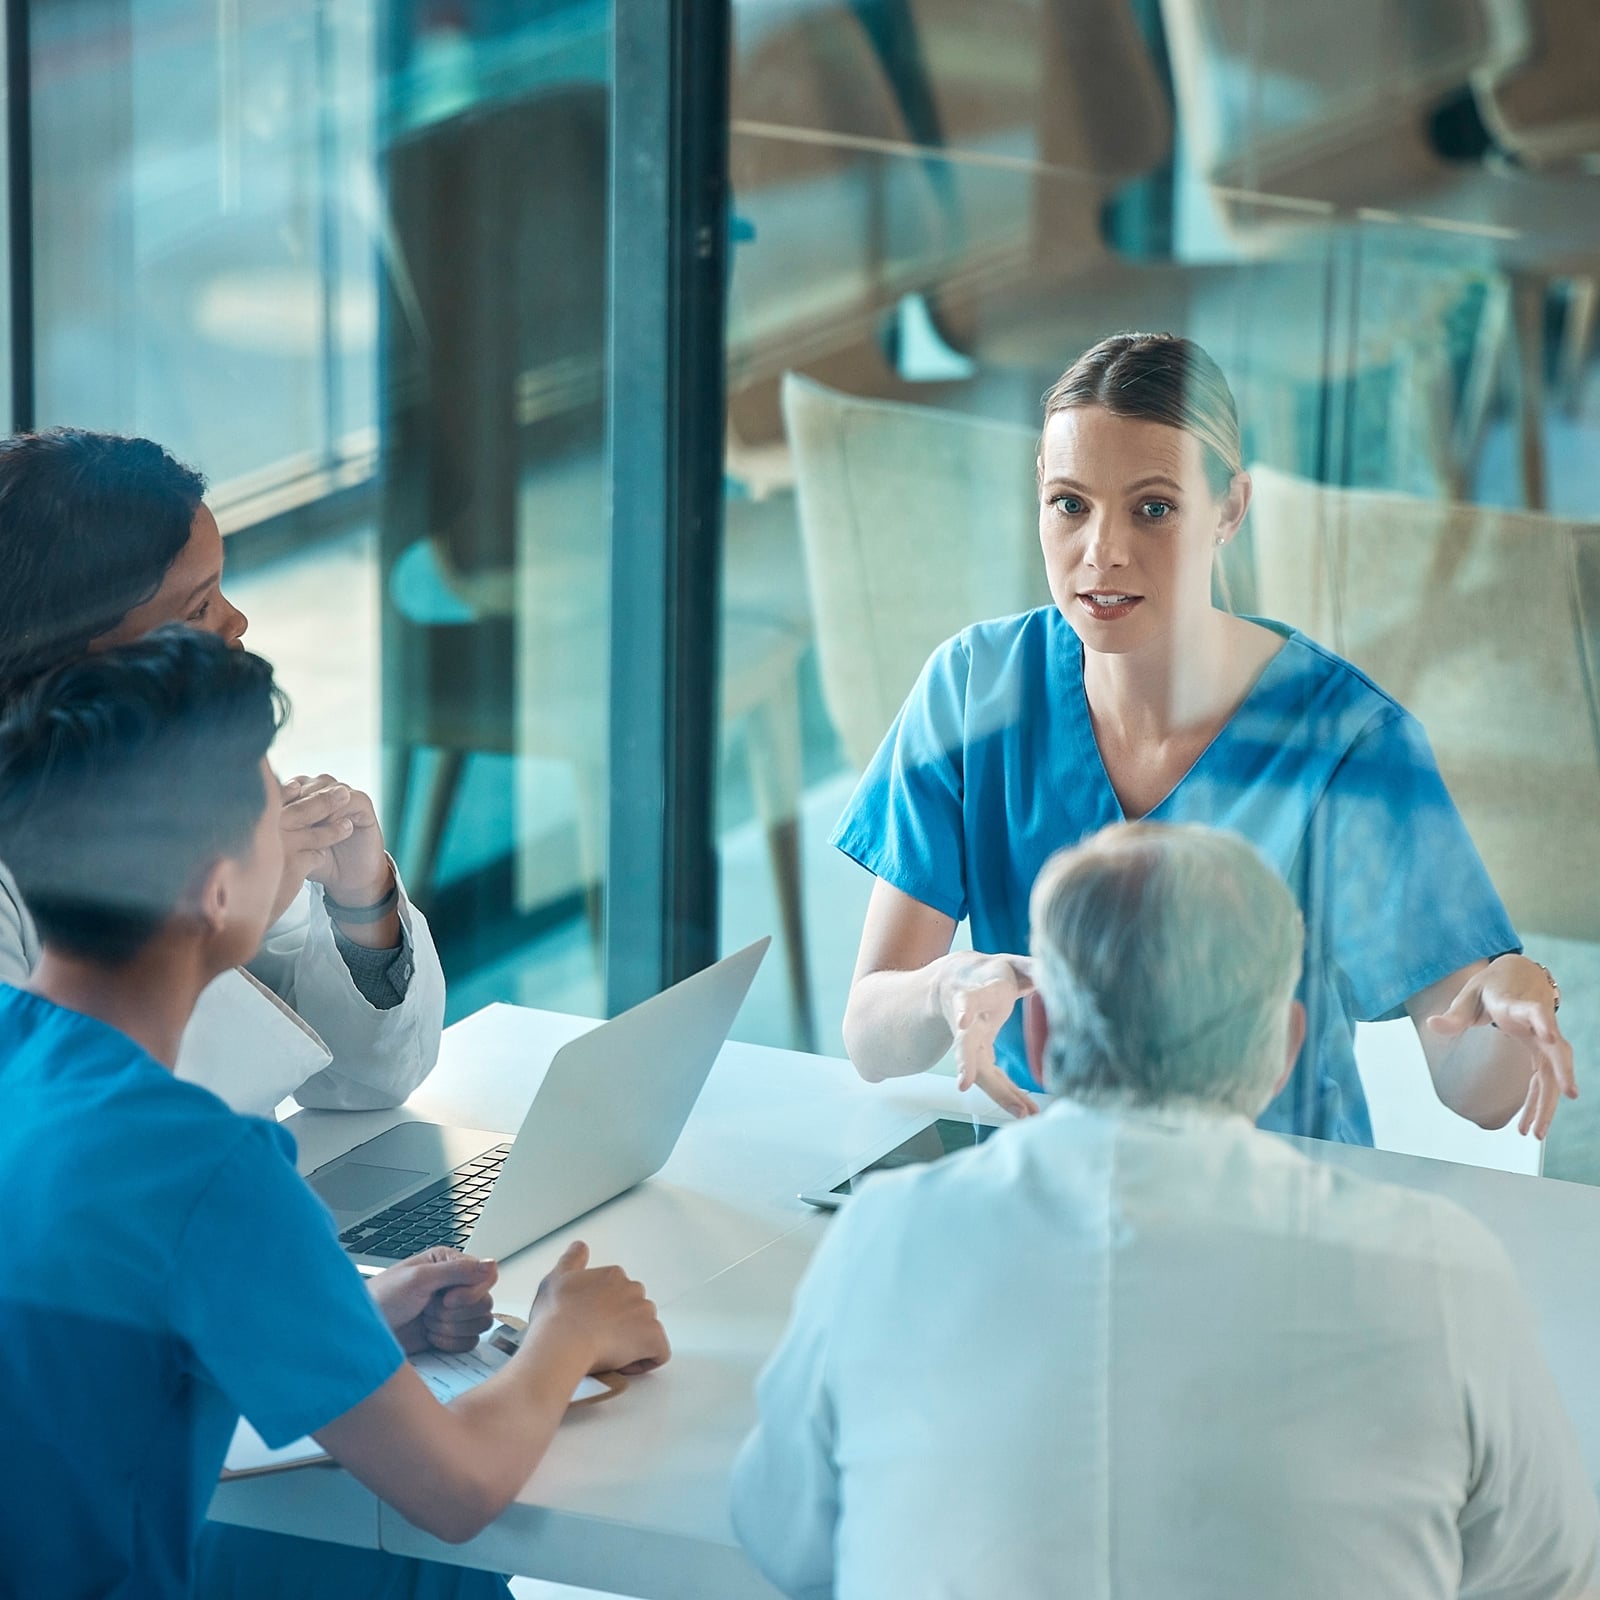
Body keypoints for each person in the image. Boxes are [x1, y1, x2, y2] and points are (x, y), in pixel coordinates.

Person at [732, 822, 1599, 1599]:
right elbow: (1549, 1576)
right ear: (1283, 1050)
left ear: (1038, 1037)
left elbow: (782, 1534)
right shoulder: (1440, 1274)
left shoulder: (885, 1240)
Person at [0, 629, 670, 1598]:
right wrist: (568, 1331)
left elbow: (91, 1328)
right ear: (216, 887)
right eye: (271, 814)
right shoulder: (209, 1168)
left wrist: (344, 1316)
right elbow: (457, 1487)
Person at [834, 331, 1574, 1145]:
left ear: (1229, 510)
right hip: (1046, 1192)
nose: (1103, 552)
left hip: (1272, 1211)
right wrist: (947, 987)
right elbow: (870, 1037)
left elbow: (1477, 1093)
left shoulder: (1344, 739)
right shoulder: (974, 689)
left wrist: (1514, 994)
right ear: (1039, 494)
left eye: (1154, 508)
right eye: (1071, 505)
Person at [0, 427, 445, 1116]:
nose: (237, 622)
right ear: (66, 655)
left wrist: (363, 906)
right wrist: (220, 926)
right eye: (198, 606)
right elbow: (74, 1141)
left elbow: (367, 1083)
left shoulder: (190, 772)